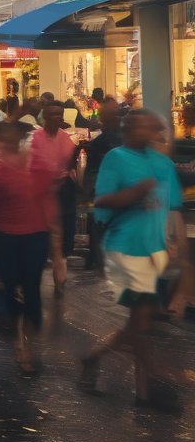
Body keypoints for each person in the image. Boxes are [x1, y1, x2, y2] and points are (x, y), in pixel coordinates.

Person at [79, 110, 184, 410]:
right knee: (142, 319)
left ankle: (96, 357)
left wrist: (176, 248)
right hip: (125, 247)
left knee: (140, 321)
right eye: (143, 126)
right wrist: (136, 191)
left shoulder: (162, 162)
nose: (151, 132)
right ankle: (147, 383)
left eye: (153, 127)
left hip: (155, 249)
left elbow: (170, 208)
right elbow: (102, 202)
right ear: (128, 129)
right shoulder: (116, 158)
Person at [0, 121, 55, 376]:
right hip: (4, 238)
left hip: (36, 235)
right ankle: (17, 334)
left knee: (32, 289)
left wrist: (55, 237)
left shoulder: (38, 164)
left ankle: (25, 346)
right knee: (11, 290)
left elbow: (48, 199)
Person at [30, 101, 77, 297]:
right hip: (41, 195)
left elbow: (72, 165)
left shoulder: (67, 140)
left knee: (61, 242)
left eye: (59, 114)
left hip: (63, 195)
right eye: (52, 115)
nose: (56, 118)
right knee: (44, 239)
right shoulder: (36, 139)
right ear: (45, 118)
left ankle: (59, 282)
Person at [81, 97, 122, 273]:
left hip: (105, 182)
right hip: (107, 183)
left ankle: (101, 259)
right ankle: (100, 258)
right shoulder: (115, 132)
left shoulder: (114, 135)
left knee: (99, 221)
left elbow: (105, 146)